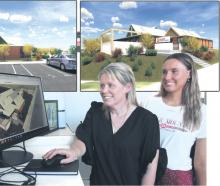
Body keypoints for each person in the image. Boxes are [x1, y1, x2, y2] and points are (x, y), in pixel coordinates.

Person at [43, 62, 160, 185]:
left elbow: (150, 168)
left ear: (128, 87)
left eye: (110, 85)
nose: (104, 91)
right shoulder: (95, 112)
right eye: (102, 85)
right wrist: (74, 152)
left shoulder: (147, 121)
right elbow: (83, 139)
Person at [143, 53, 206, 185]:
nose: (167, 77)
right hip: (148, 176)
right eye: (164, 72)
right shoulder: (148, 103)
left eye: (174, 71)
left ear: (189, 74)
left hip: (180, 178)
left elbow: (200, 162)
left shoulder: (201, 111)